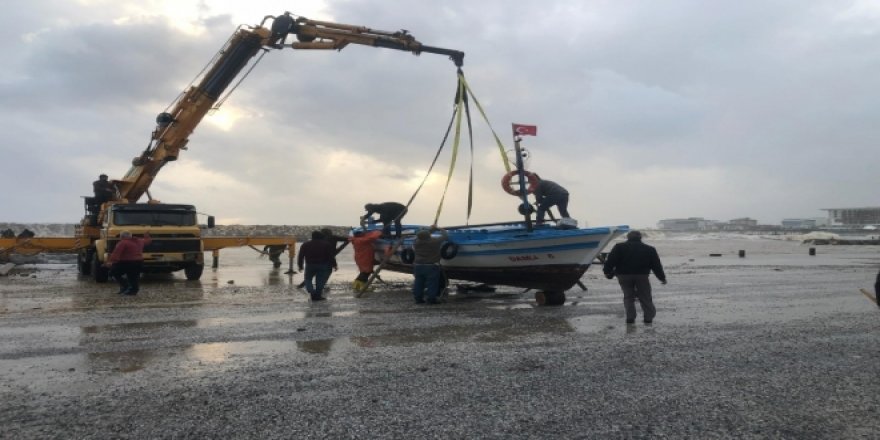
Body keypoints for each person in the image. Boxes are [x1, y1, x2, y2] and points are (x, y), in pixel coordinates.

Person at [603, 230, 666, 324]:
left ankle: (630, 318)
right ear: (640, 237)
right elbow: (656, 265)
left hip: (623, 276)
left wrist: (607, 272)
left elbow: (611, 261)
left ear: (627, 237)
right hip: (642, 276)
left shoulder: (619, 247)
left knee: (628, 296)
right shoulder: (649, 249)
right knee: (645, 296)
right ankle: (648, 318)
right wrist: (662, 278)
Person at [104, 231, 151, 296]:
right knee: (133, 277)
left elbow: (116, 253)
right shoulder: (140, 241)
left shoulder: (123, 243)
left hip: (126, 262)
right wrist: (147, 236)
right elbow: (147, 241)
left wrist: (111, 262)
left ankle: (125, 286)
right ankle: (133, 290)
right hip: (139, 262)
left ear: (122, 237)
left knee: (113, 272)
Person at [411, 226, 448, 304]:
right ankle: (431, 299)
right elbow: (445, 236)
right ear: (428, 236)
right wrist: (441, 229)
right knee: (432, 283)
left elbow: (422, 236)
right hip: (431, 266)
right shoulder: (434, 242)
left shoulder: (416, 242)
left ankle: (418, 299)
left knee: (418, 282)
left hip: (418, 266)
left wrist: (430, 230)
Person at [297, 230, 338, 301]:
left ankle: (312, 292)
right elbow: (330, 256)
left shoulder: (305, 244)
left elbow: (300, 256)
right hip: (322, 265)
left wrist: (300, 266)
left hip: (309, 265)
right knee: (320, 281)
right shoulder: (326, 244)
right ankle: (318, 296)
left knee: (308, 279)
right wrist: (334, 265)